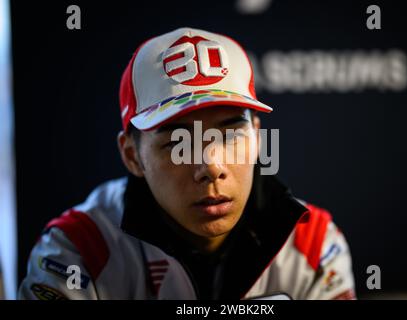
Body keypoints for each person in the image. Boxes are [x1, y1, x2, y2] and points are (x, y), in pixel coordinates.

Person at [18, 27, 355, 300]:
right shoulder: (79, 250)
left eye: (229, 134)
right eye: (178, 143)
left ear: (257, 138)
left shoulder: (312, 243)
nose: (210, 167)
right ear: (132, 155)